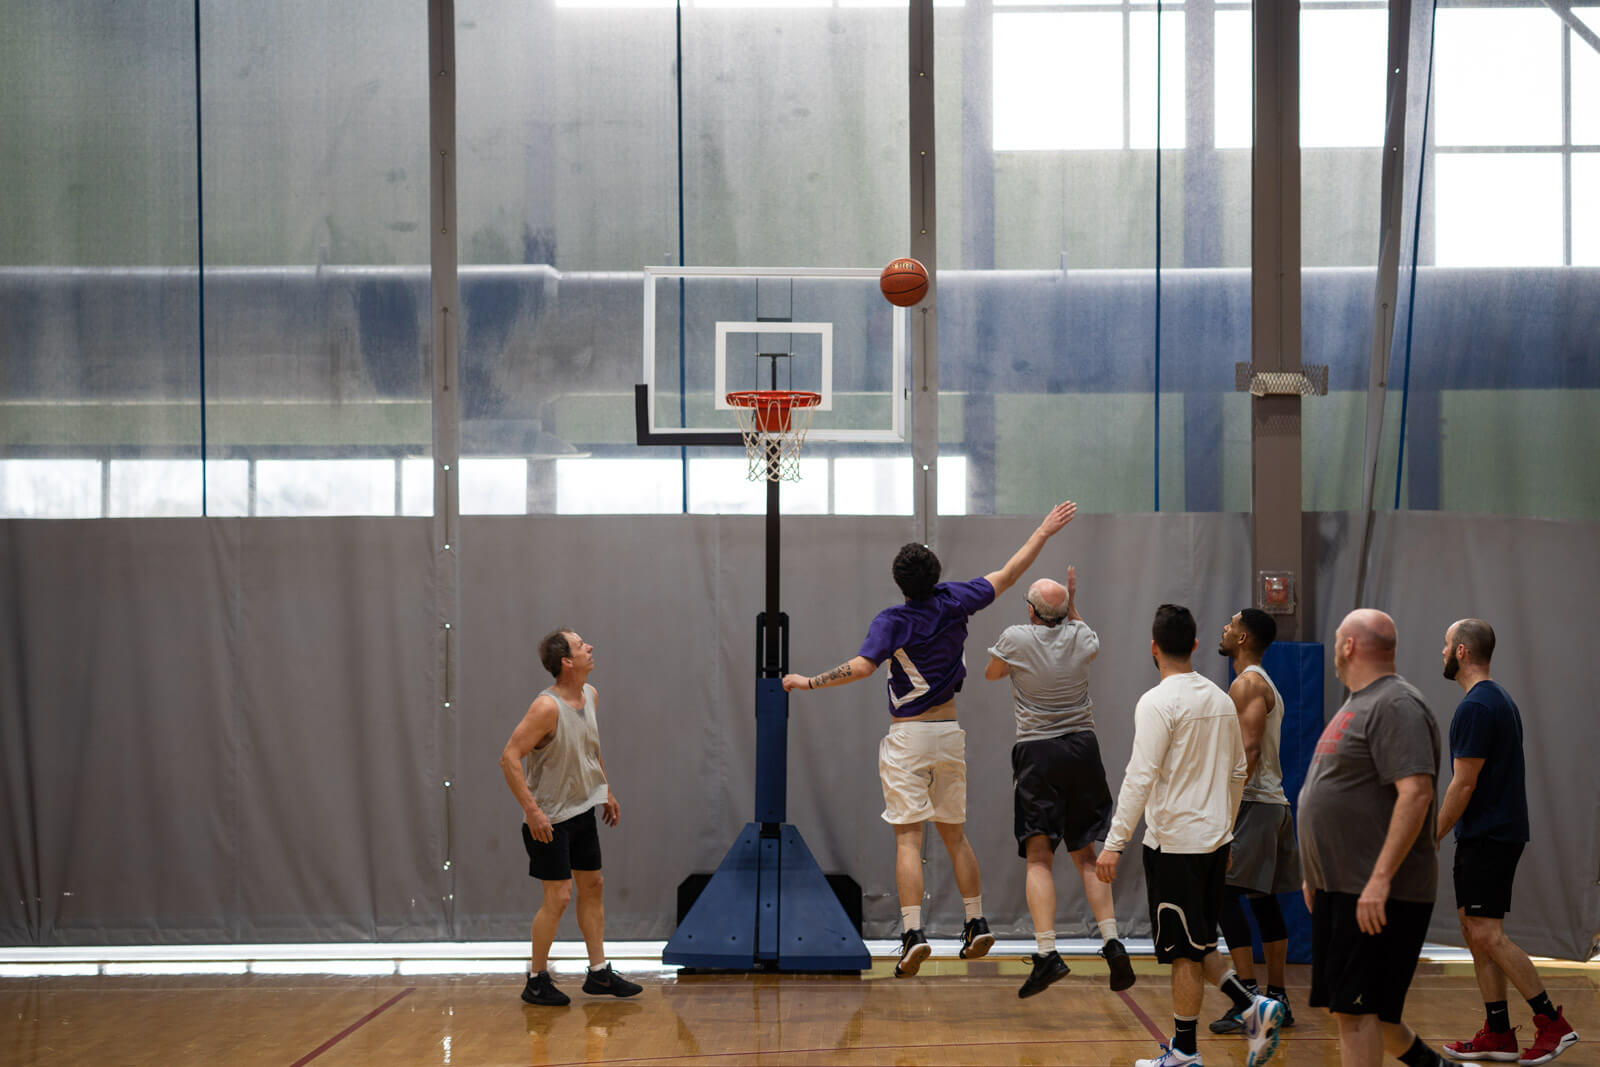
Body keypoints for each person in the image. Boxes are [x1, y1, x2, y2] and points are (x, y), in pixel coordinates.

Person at [783, 501, 1077, 978]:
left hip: (908, 737)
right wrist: (1042, 530)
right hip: (948, 734)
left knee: (907, 840)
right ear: (936, 574)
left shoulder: (891, 621)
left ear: (900, 583)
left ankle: (913, 933)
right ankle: (975, 919)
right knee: (956, 836)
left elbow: (860, 668)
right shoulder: (956, 599)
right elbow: (1008, 571)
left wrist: (808, 681)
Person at [1096, 604, 1285, 1067]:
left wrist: (1114, 842)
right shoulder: (1221, 698)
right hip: (1214, 842)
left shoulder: (1157, 702)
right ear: (1196, 645)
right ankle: (1252, 1006)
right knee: (1200, 945)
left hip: (1176, 845)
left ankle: (1184, 1052)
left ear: (1154, 647)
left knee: (1184, 953)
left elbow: (1140, 776)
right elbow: (1240, 770)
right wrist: (1225, 834)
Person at [1298, 609, 1447, 1067]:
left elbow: (1416, 793)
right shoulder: (1357, 703)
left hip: (1377, 893)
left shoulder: (1395, 705)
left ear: (1348, 646)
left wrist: (1379, 880)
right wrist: (1315, 875)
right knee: (1369, 1011)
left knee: (1355, 1011)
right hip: (1342, 888)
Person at [982, 566, 1136, 997]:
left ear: (1030, 610)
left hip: (1038, 753)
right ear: (1067, 612)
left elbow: (992, 673)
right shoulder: (1082, 638)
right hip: (1083, 749)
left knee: (1038, 858)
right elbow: (1082, 631)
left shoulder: (1015, 637)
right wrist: (1072, 601)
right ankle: (1112, 941)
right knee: (1086, 853)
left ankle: (1048, 953)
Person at [1436, 619, 1578, 1065]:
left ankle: (1552, 1024)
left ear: (1461, 651)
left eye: (1444, 645)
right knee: (1473, 932)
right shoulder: (1493, 700)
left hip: (1491, 836)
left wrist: (1429, 836)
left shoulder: (1477, 706)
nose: (1440, 652)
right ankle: (1497, 1032)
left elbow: (1463, 786)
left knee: (1486, 932)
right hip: (1485, 834)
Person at [499, 629, 641, 1006]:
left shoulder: (590, 695)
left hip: (582, 811)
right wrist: (532, 811)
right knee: (559, 897)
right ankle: (536, 979)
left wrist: (605, 790)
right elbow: (509, 757)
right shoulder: (545, 707)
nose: (590, 647)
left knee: (592, 886)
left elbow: (589, 751)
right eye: (581, 646)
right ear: (566, 661)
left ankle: (598, 974)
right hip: (549, 819)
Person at [1210, 609, 1302, 1035]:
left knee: (1223, 894)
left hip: (1254, 805)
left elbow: (1247, 752)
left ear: (1243, 637)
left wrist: (1225, 815)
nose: (1224, 629)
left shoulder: (1247, 683)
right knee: (1263, 902)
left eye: (1230, 624)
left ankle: (1248, 998)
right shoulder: (1263, 684)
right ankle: (1277, 997)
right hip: (1273, 806)